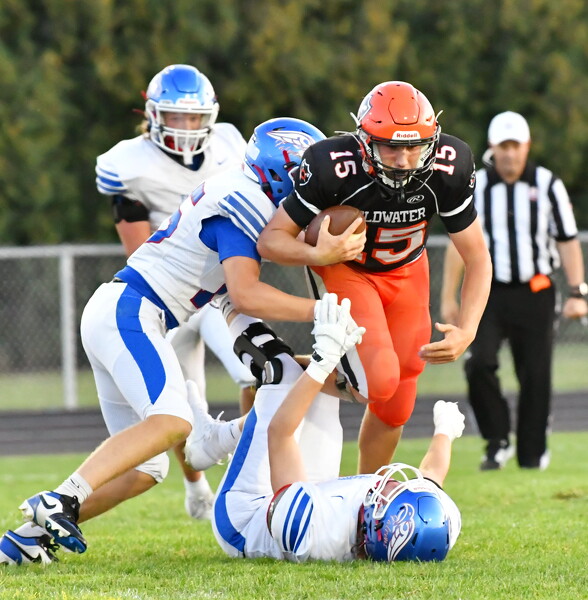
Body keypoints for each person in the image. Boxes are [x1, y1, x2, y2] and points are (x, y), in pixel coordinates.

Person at [0, 117, 327, 566]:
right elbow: (247, 292)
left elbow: (229, 297)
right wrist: (321, 310)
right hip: (132, 311)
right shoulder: (244, 204)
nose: (315, 190)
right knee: (171, 421)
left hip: (127, 313)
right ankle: (62, 498)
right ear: (281, 174)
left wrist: (275, 347)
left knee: (146, 470)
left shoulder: (242, 191)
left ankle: (23, 541)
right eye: (308, 178)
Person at [257, 81, 492, 474]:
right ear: (365, 142)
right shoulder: (332, 166)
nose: (403, 159)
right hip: (347, 269)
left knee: (398, 402)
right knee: (378, 381)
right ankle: (278, 368)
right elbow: (271, 240)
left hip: (407, 269)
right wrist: (317, 254)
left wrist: (468, 330)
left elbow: (478, 257)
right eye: (390, 147)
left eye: (414, 147)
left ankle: (366, 493)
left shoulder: (450, 166)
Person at [187, 293, 465, 562]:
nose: (391, 486)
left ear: (373, 525)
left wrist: (323, 359)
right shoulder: (435, 523)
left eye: (387, 498)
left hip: (247, 516)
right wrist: (445, 430)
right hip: (317, 494)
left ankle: (225, 295)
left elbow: (280, 433)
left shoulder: (309, 528)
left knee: (282, 372)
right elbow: (431, 476)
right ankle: (219, 438)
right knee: (332, 384)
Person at [95, 63, 257, 520]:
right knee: (182, 404)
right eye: (176, 116)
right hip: (169, 292)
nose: (186, 127)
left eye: (194, 117)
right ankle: (197, 488)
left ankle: (251, 476)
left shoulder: (230, 143)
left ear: (210, 117)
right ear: (153, 115)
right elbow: (139, 250)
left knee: (254, 371)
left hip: (221, 289)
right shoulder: (128, 164)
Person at [440, 111, 588, 471]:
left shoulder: (548, 184)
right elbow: (459, 245)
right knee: (479, 363)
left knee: (535, 373)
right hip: (488, 293)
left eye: (515, 145)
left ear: (527, 146)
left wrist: (577, 292)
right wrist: (448, 297)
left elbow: (567, 240)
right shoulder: (475, 186)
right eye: (503, 146)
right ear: (492, 147)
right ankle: (497, 440)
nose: (509, 153)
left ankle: (532, 453)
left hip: (535, 291)